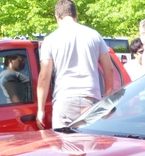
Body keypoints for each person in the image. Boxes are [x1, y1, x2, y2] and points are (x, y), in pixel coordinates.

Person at [36, 0, 113, 129]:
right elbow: (109, 69)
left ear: (57, 17)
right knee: (90, 144)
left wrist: (41, 110)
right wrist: (107, 97)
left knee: (64, 144)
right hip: (90, 99)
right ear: (76, 16)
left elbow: (44, 77)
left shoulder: (50, 40)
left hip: (64, 100)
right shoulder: (94, 35)